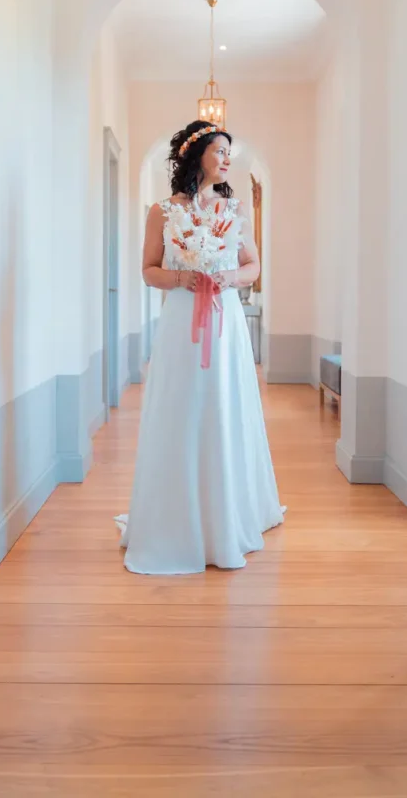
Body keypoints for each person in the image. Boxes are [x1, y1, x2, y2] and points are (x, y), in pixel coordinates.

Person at [115, 120, 285, 575]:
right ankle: (174, 520)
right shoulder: (162, 212)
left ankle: (227, 515)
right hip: (180, 324)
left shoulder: (236, 209)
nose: (227, 158)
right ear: (196, 156)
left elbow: (253, 265)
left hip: (225, 320)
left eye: (230, 151)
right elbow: (149, 270)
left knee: (223, 406)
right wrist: (181, 278)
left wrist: (229, 278)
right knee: (181, 408)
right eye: (219, 150)